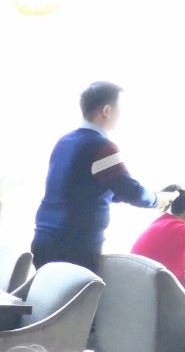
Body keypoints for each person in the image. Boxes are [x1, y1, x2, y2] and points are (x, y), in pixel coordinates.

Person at [32, 81, 158, 272]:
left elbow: (87, 189)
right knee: (79, 293)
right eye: (120, 109)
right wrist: (158, 200)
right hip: (74, 245)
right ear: (107, 110)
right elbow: (131, 192)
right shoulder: (102, 147)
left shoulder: (65, 141)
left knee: (48, 291)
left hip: (44, 238)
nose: (121, 115)